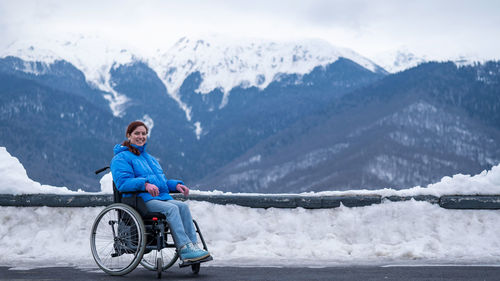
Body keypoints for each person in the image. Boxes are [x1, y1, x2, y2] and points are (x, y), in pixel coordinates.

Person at [110, 120, 210, 262]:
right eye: (137, 133)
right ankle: (184, 248)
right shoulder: (120, 158)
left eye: (144, 134)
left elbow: (160, 184)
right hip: (140, 200)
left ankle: (194, 246)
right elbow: (122, 183)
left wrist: (175, 186)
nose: (141, 136)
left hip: (157, 197)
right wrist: (144, 185)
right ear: (128, 135)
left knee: (182, 207)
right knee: (172, 209)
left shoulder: (149, 158)